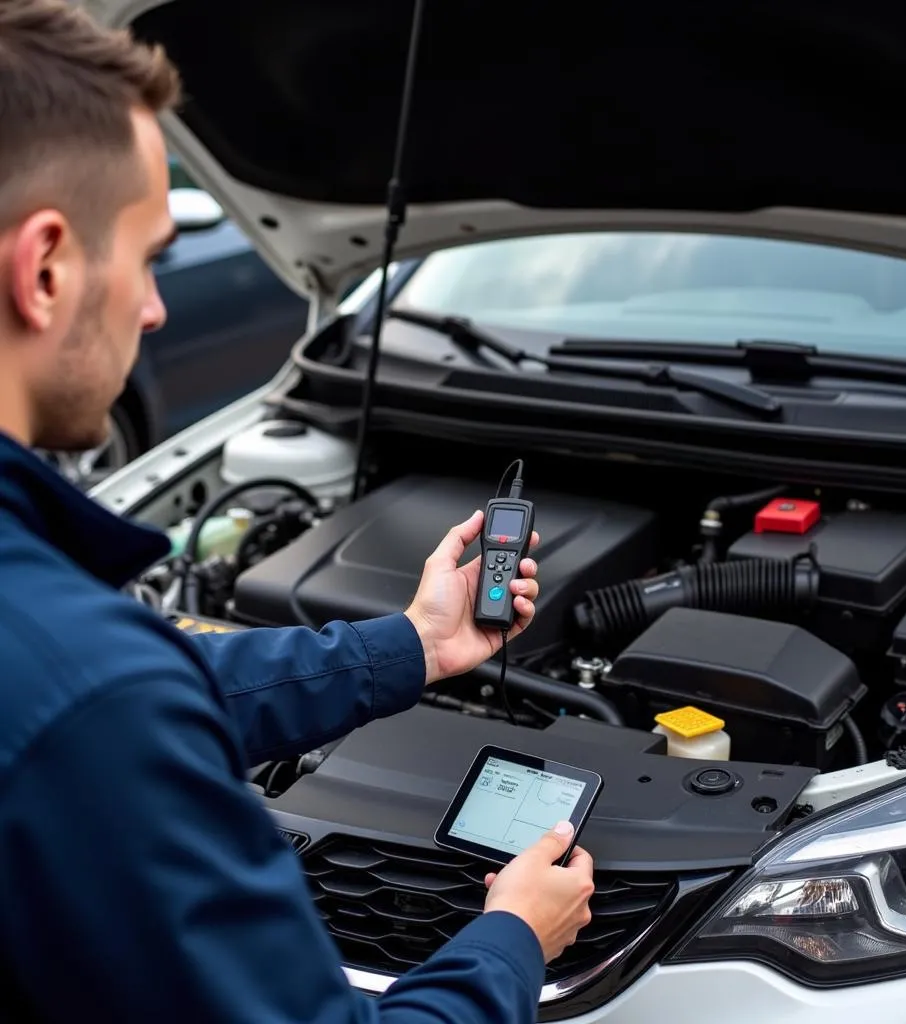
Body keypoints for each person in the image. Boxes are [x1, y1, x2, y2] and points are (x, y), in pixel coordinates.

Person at [0, 1, 595, 1021]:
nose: (155, 308)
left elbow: (140, 692)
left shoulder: (75, 668)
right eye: (148, 257)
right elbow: (105, 705)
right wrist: (507, 942)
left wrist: (412, 644)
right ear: (47, 268)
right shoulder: (88, 688)